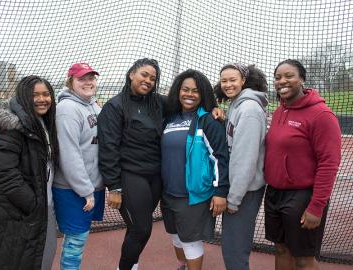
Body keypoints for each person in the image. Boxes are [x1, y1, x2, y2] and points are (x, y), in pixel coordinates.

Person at [264, 59, 341, 270]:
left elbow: (329, 163)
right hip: (274, 193)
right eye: (278, 77)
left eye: (289, 76)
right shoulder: (279, 111)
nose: (282, 81)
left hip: (302, 196)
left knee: (303, 259)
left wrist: (316, 206)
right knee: (281, 249)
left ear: (302, 79)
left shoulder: (321, 115)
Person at [98, 58, 165, 270]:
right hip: (130, 176)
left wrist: (211, 108)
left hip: (155, 177)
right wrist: (114, 187)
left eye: (153, 78)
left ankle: (132, 266)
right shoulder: (115, 106)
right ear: (131, 74)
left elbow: (188, 99)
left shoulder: (157, 103)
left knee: (136, 227)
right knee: (141, 229)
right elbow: (108, 148)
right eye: (144, 75)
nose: (148, 81)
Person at [161, 69, 229, 270]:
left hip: (193, 194)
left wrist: (220, 191)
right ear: (178, 91)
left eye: (195, 91)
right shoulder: (169, 118)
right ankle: (182, 266)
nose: (189, 94)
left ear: (203, 94)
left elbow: (220, 157)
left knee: (190, 241)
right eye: (185, 89)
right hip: (168, 193)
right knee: (175, 237)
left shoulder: (208, 120)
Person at [0, 75, 59, 269]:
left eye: (46, 94)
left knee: (41, 255)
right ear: (23, 97)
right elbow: (3, 171)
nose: (42, 99)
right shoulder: (13, 128)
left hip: (40, 206)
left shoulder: (43, 122)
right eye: (35, 95)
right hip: (19, 211)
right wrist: (32, 203)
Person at [214, 64, 268, 270]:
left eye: (232, 80)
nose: (228, 85)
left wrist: (234, 198)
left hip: (244, 191)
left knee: (235, 250)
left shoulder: (249, 109)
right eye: (224, 80)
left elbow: (245, 157)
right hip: (240, 188)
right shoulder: (237, 105)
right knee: (232, 247)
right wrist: (223, 119)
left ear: (243, 81)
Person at [53, 63, 105, 269]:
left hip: (89, 186)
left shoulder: (93, 105)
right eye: (82, 78)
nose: (88, 82)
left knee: (77, 239)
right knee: (76, 242)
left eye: (91, 78)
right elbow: (69, 154)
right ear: (70, 81)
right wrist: (86, 190)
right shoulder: (67, 109)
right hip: (73, 189)